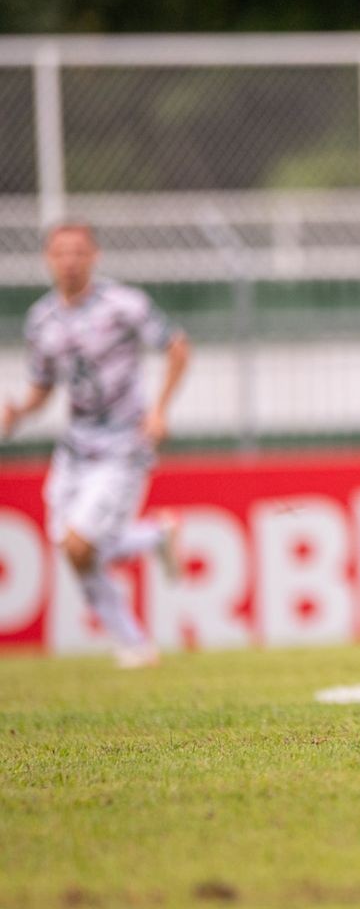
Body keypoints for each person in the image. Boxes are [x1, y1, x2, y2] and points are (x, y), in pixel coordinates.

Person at [2, 222, 189, 668]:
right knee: (72, 549)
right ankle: (136, 639)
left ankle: (150, 550)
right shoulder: (42, 320)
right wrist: (18, 412)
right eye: (60, 253)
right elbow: (43, 387)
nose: (70, 261)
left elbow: (178, 347)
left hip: (123, 444)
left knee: (80, 543)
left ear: (94, 256)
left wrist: (160, 410)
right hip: (75, 449)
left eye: (78, 252)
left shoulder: (124, 305)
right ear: (48, 260)